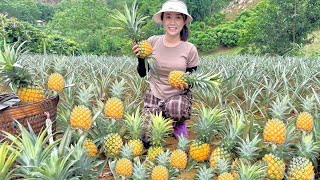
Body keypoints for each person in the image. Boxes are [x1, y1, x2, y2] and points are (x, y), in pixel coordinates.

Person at [132, 0, 200, 144]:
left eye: (178, 17)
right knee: (145, 139)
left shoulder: (190, 49)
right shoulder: (152, 42)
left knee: (177, 109)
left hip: (177, 96)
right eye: (168, 16)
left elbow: (193, 75)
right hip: (155, 93)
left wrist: (187, 81)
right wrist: (140, 58)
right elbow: (143, 73)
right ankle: (159, 114)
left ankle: (178, 122)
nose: (172, 22)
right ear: (162, 19)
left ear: (184, 21)